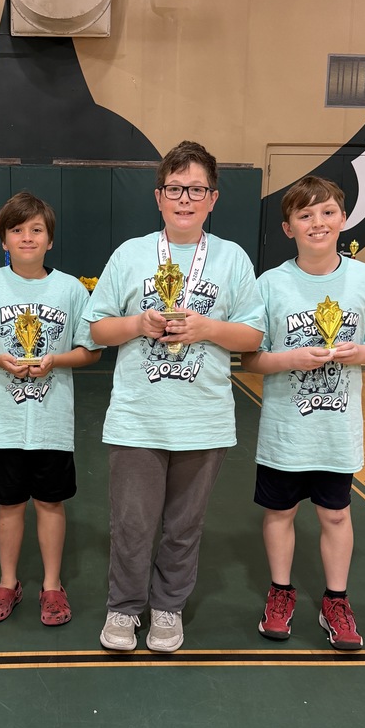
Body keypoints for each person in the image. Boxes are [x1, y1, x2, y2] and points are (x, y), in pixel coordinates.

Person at [85, 140, 265, 653]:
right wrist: (138, 323)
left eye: (196, 189)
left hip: (202, 417)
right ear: (158, 196)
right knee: (133, 523)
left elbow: (252, 336)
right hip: (138, 416)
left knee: (185, 526)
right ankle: (123, 610)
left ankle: (168, 608)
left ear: (213, 198)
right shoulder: (130, 254)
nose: (185, 199)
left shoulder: (231, 259)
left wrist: (208, 328)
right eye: (175, 188)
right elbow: (97, 330)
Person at [240, 175, 365, 651]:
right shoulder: (270, 284)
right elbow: (252, 358)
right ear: (288, 227)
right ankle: (280, 591)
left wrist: (358, 354)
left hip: (336, 430)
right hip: (286, 431)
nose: (317, 222)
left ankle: (336, 599)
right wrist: (289, 359)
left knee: (335, 516)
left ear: (343, 218)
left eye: (327, 212)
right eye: (305, 215)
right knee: (280, 512)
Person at [0, 191, 100, 626]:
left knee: (51, 503)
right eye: (17, 230)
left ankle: (52, 586)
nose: (27, 237)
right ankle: (8, 581)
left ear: (50, 239)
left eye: (37, 230)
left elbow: (88, 351)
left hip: (53, 422)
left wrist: (55, 360)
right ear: (3, 239)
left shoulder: (71, 289)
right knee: (9, 504)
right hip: (5, 423)